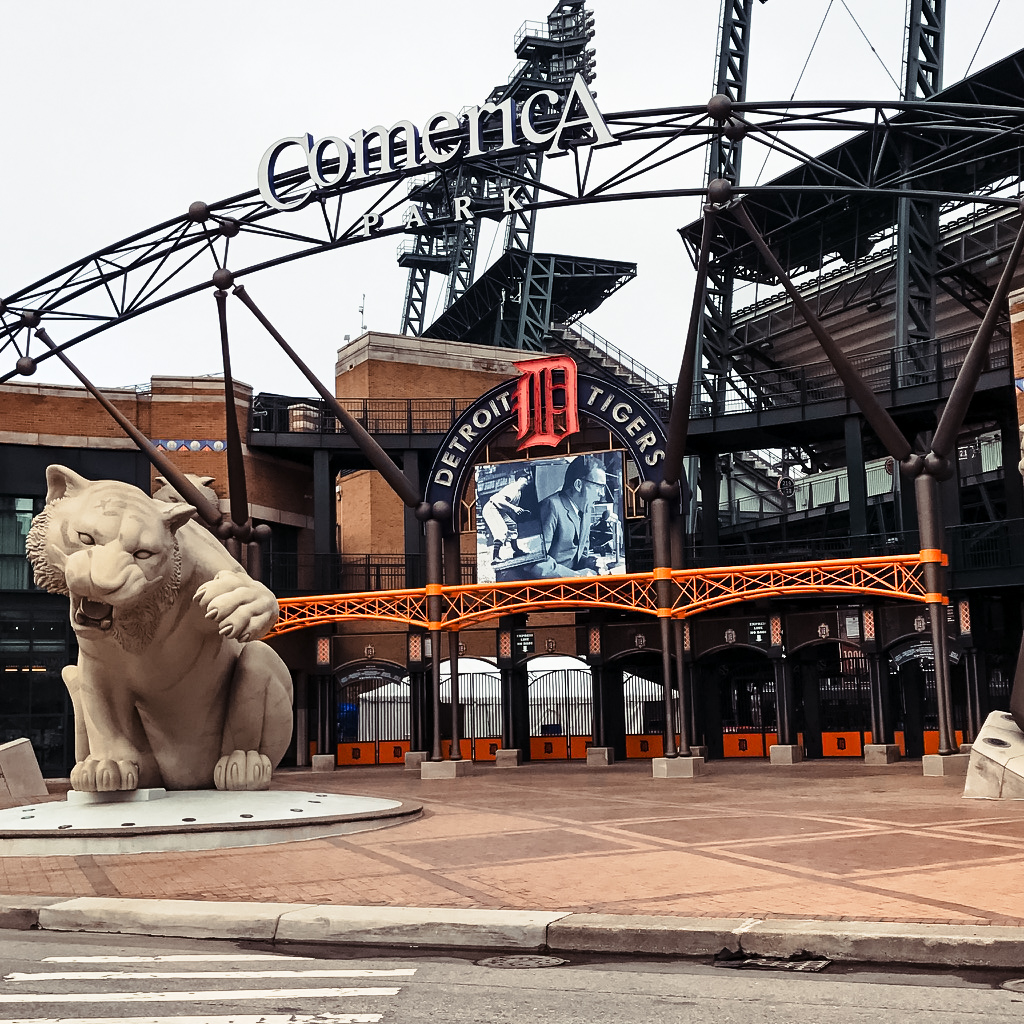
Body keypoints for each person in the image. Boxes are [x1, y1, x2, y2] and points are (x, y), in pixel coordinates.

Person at [534, 456, 607, 578]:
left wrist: (592, 562)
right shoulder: (551, 506)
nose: (602, 494)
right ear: (578, 485)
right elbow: (537, 562)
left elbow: (578, 557)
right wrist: (576, 575)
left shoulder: (586, 511)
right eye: (599, 486)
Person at [482, 471, 530, 562]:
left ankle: (516, 551)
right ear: (519, 479)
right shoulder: (513, 487)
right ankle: (495, 557)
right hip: (491, 507)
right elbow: (498, 500)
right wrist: (514, 508)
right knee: (502, 530)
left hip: (499, 509)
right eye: (525, 479)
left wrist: (519, 510)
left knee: (512, 526)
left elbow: (510, 507)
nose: (527, 482)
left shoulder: (518, 492)